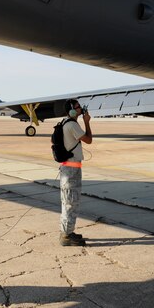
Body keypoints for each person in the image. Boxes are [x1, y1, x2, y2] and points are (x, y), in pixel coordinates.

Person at [59, 98, 92, 246]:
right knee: (71, 202)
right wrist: (87, 121)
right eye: (78, 107)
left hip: (68, 168)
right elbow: (89, 140)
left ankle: (67, 231)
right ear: (72, 110)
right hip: (71, 170)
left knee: (68, 201)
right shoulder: (72, 125)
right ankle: (66, 236)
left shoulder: (64, 123)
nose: (81, 109)